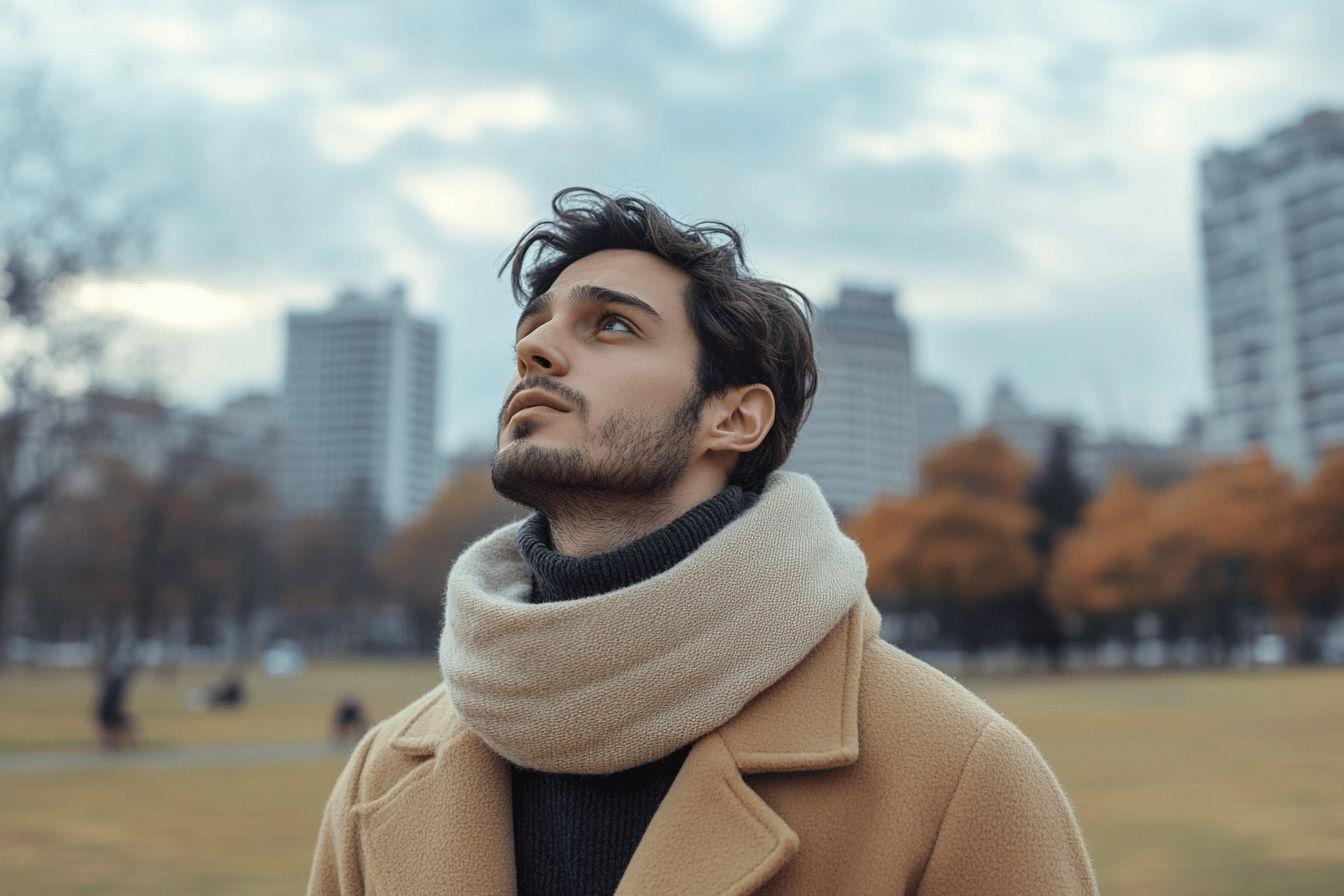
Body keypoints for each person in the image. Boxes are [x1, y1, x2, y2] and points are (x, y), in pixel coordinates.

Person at [307, 187, 1099, 895]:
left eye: (610, 325)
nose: (535, 350)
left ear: (735, 418)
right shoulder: (383, 772)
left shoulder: (960, 775)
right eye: (535, 327)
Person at [95, 666, 136, 751]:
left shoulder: (111, 689)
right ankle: (117, 744)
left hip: (106, 713)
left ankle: (112, 744)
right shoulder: (117, 687)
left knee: (116, 728)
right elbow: (115, 705)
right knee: (124, 726)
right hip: (109, 713)